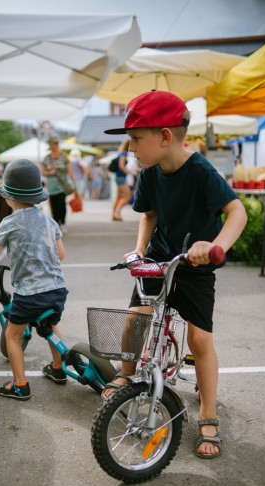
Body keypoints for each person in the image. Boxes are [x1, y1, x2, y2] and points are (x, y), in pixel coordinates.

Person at [103, 89, 247, 459]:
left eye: (136, 140)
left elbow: (237, 212)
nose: (131, 149)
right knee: (136, 318)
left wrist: (215, 245)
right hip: (159, 258)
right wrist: (139, 250)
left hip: (195, 265)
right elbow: (148, 215)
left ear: (165, 136)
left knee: (199, 340)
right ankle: (125, 375)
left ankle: (209, 413)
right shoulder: (150, 173)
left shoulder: (200, 171)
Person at [0, 159, 68, 401]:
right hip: (57, 289)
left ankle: (20, 384)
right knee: (51, 325)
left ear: (9, 197)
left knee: (12, 335)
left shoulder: (11, 222)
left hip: (29, 293)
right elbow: (62, 254)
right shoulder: (49, 220)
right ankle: (58, 369)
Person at [41, 136, 77, 233]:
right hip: (51, 186)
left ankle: (63, 222)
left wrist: (74, 184)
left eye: (52, 144)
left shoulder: (63, 157)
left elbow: (70, 171)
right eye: (50, 144)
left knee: (61, 204)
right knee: (54, 205)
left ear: (56, 144)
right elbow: (42, 171)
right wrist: (50, 173)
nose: (51, 146)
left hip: (62, 185)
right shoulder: (47, 158)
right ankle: (56, 223)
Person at [111, 139, 136, 221]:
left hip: (118, 177)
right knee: (128, 196)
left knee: (118, 197)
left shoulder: (120, 153)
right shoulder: (124, 154)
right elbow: (121, 166)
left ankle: (114, 215)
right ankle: (117, 212)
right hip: (121, 178)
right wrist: (131, 172)